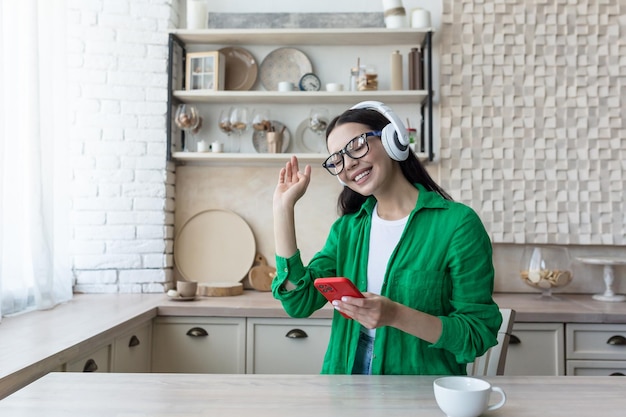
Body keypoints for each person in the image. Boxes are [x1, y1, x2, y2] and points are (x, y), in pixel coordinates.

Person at [271, 101, 502, 375]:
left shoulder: (457, 224)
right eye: (337, 160)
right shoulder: (347, 230)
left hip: (419, 391)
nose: (349, 163)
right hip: (346, 385)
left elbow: (476, 334)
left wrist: (395, 315)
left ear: (394, 140)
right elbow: (299, 303)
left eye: (357, 146)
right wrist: (283, 208)